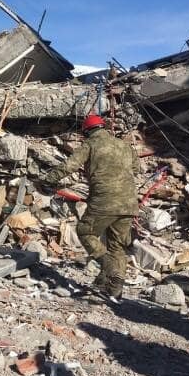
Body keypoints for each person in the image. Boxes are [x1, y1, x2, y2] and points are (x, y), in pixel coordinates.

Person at [42, 114, 139, 300]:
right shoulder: (125, 146)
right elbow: (136, 170)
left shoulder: (90, 144)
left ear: (86, 131)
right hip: (129, 202)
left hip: (104, 200)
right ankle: (113, 288)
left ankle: (109, 267)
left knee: (85, 231)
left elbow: (69, 165)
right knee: (116, 245)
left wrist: (48, 179)